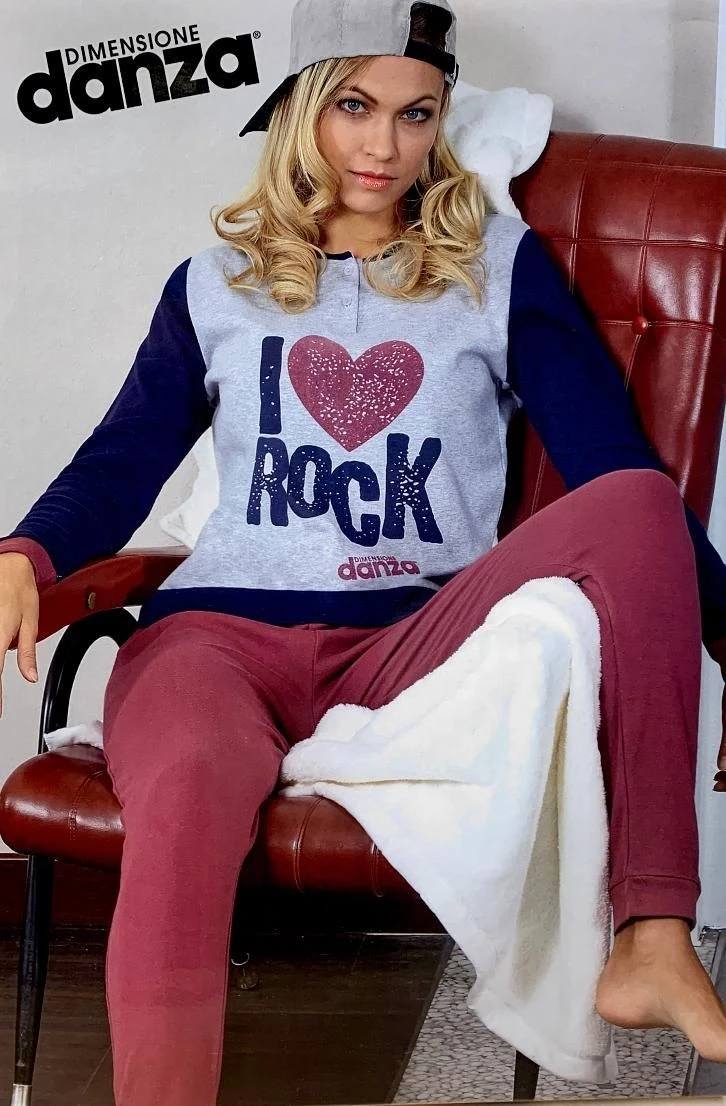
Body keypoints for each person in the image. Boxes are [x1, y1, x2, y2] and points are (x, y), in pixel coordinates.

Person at [1, 0, 726, 1101]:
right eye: (354, 106)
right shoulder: (214, 284)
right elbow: (120, 459)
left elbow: (613, 468)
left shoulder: (495, 268)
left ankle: (654, 934)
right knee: (186, 796)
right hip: (216, 641)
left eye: (416, 113)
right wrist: (29, 548)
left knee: (634, 499)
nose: (385, 145)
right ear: (301, 108)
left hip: (411, 644)